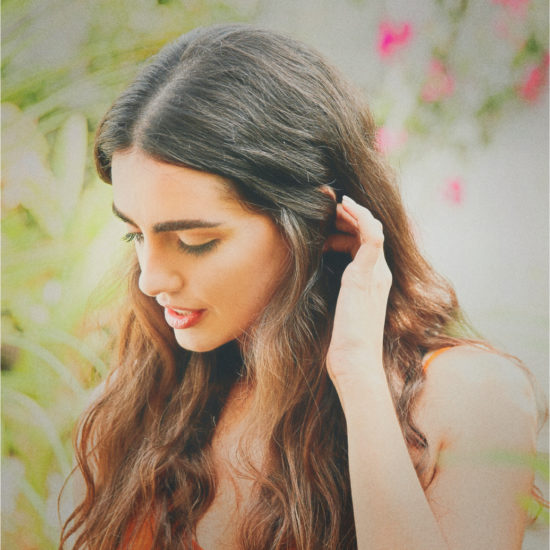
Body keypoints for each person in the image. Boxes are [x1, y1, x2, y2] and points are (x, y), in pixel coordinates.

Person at [60, 24, 543, 550]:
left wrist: (359, 377)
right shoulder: (162, 388)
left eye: (197, 240)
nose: (151, 278)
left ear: (316, 221)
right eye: (135, 234)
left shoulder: (467, 397)